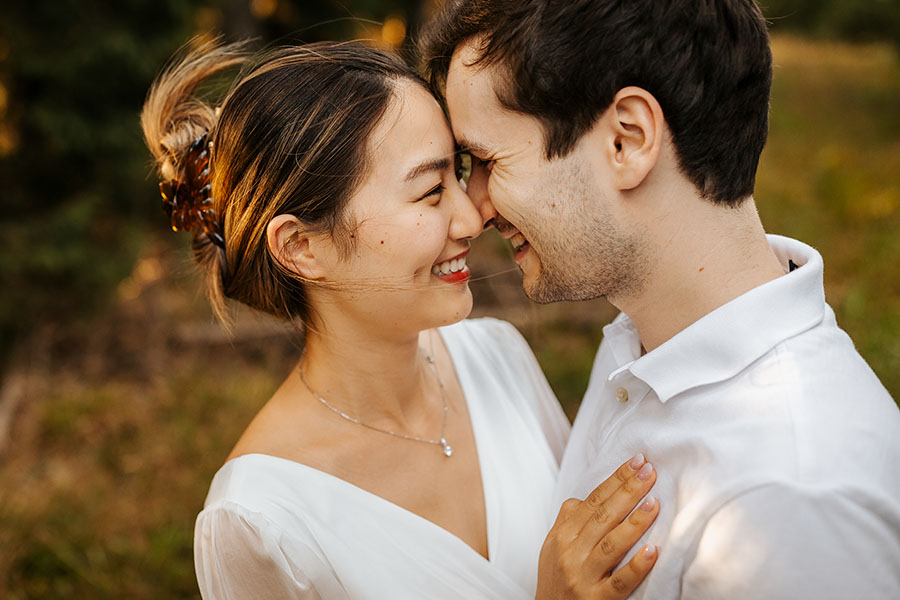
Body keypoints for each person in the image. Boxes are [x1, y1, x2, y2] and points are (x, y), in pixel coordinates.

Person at [141, 39, 661, 599]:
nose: (471, 216)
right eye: (431, 191)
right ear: (300, 247)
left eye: (459, 175)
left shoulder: (497, 356)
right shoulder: (259, 522)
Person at [420, 0, 900, 598]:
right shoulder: (642, 338)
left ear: (628, 139)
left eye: (488, 162)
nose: (474, 207)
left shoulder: (789, 503)